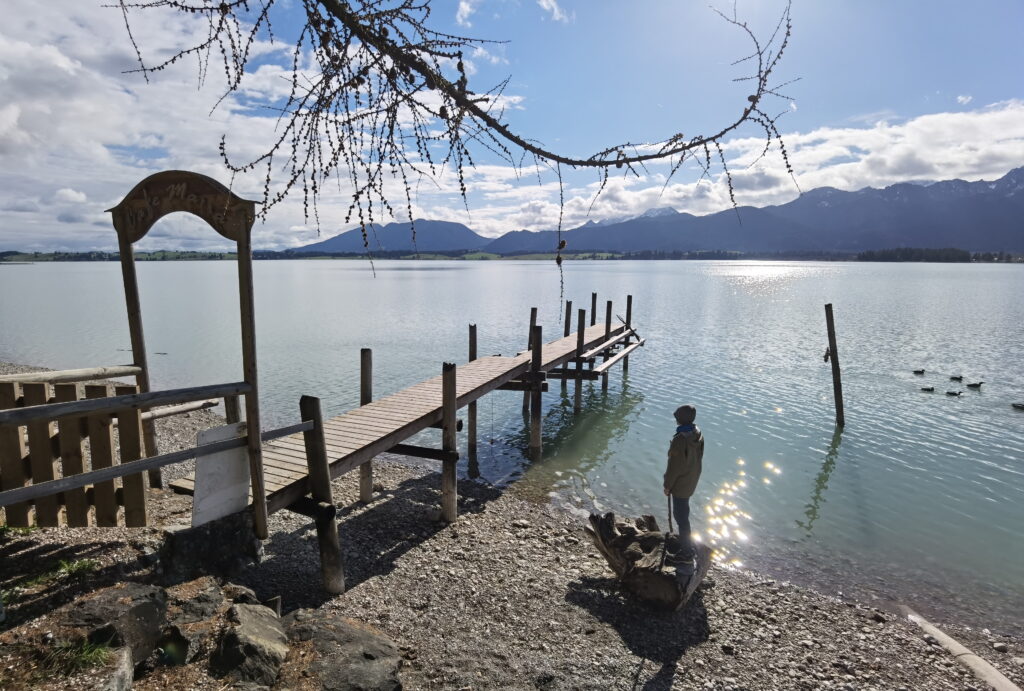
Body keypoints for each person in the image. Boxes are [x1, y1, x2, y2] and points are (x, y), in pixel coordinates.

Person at [663, 404, 704, 577]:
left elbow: (674, 467)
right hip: (691, 478)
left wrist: (667, 485)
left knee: (681, 517)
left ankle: (686, 553)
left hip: (680, 483)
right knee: (684, 514)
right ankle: (688, 545)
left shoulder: (680, 439)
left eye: (677, 415)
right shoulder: (697, 433)